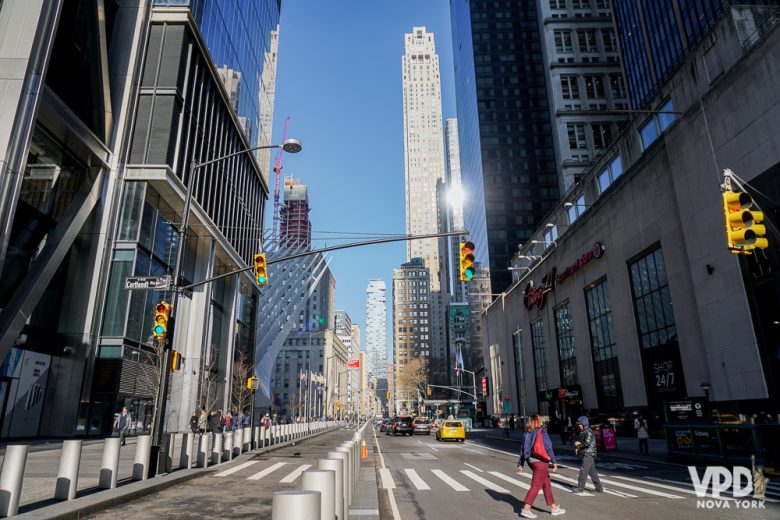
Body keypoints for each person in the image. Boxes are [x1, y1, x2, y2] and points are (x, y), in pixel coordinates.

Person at [516, 413, 566, 518]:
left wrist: (520, 463)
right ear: (538, 421)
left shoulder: (527, 432)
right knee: (536, 485)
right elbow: (548, 447)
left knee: (546, 483)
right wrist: (554, 461)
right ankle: (526, 509)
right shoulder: (541, 431)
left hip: (531, 461)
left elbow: (522, 449)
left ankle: (554, 507)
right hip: (540, 462)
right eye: (541, 419)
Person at [573, 416, 604, 494]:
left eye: (581, 424)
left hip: (588, 454)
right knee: (593, 472)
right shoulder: (584, 431)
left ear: (584, 424)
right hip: (588, 453)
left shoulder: (588, 432)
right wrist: (578, 448)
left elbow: (587, 443)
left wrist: (579, 445)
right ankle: (599, 488)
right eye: (579, 424)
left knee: (583, 471)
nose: (579, 426)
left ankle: (580, 488)